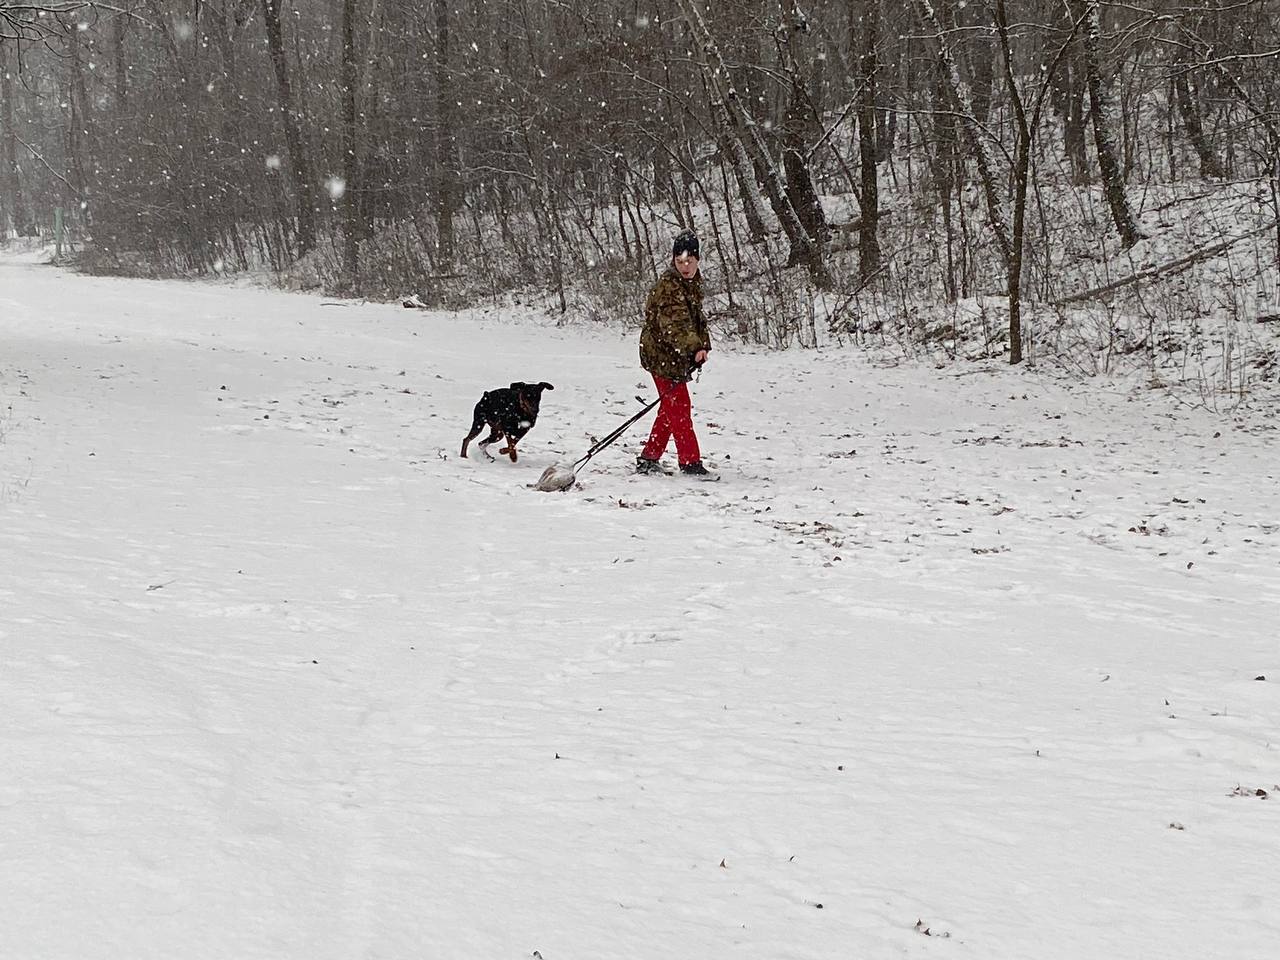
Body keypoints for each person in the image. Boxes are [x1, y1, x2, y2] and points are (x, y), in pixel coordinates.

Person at [636, 229, 716, 478]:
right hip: (661, 355)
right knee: (679, 407)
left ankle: (649, 457)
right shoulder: (669, 288)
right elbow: (676, 325)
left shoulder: (690, 283)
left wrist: (703, 344)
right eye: (680, 262)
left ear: (697, 260)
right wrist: (694, 348)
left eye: (689, 261)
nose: (685, 266)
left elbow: (695, 319)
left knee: (671, 409)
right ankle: (690, 462)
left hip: (673, 355)